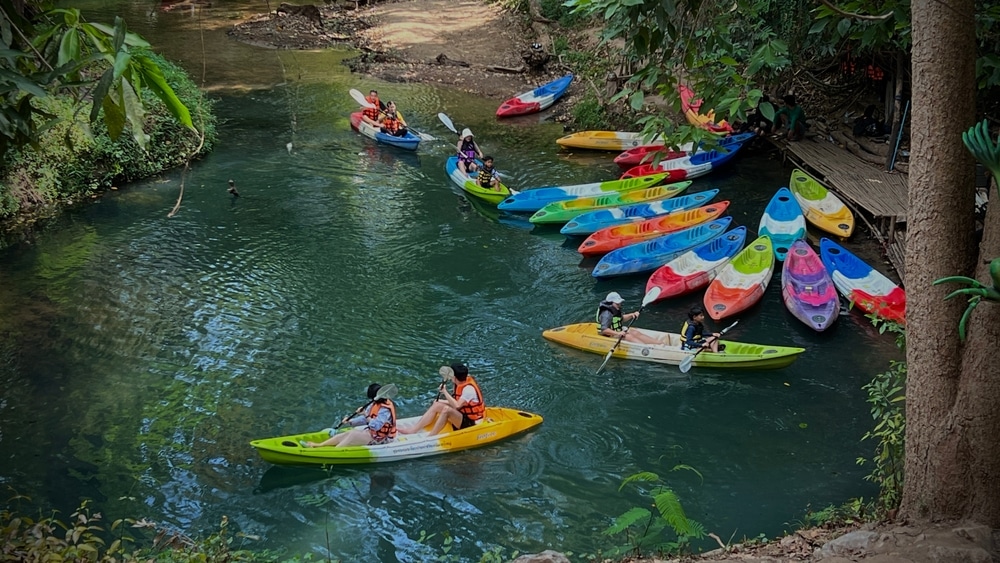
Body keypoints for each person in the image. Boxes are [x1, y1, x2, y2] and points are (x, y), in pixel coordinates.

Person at [398, 363, 484, 436]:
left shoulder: (468, 390)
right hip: (463, 414)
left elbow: (457, 406)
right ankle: (413, 430)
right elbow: (459, 402)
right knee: (437, 405)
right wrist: (441, 401)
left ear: (454, 377)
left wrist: (444, 392)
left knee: (446, 410)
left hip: (472, 422)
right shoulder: (461, 382)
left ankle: (431, 436)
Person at [302, 383, 397, 448]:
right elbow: (364, 419)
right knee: (347, 433)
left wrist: (365, 414)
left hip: (383, 439)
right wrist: (350, 422)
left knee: (353, 434)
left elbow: (376, 426)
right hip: (373, 434)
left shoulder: (385, 410)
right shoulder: (374, 404)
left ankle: (335, 451)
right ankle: (319, 445)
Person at [596, 291, 660, 345]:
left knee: (635, 333)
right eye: (617, 303)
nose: (619, 305)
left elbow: (621, 319)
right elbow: (604, 330)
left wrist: (632, 315)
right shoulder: (606, 313)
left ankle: (659, 343)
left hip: (617, 330)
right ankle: (647, 348)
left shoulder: (614, 308)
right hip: (608, 334)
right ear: (610, 303)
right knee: (629, 337)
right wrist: (618, 333)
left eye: (619, 303)